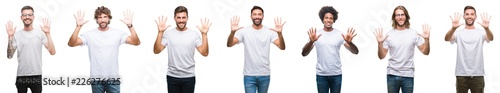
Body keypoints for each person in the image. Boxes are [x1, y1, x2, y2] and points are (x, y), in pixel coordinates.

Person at [67, 6, 141, 93]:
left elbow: (136, 42)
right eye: (100, 17)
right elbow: (71, 44)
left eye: (105, 17)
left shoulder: (118, 33)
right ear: (96, 19)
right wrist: (78, 27)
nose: (102, 20)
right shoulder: (89, 35)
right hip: (96, 79)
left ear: (109, 18)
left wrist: (130, 26)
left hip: (113, 79)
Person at [226, 5, 286, 93]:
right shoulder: (244, 32)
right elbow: (229, 44)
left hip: (264, 74)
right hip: (249, 75)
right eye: (254, 14)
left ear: (263, 16)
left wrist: (280, 34)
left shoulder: (269, 32)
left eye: (259, 14)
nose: (257, 16)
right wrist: (232, 32)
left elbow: (282, 47)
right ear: (251, 17)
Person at [153, 6, 211, 93]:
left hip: (189, 77)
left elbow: (205, 53)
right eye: (178, 18)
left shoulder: (194, 34)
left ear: (187, 18)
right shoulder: (168, 34)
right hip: (172, 77)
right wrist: (160, 32)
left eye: (183, 17)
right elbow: (156, 50)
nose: (181, 20)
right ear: (174, 18)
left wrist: (204, 35)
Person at [301, 6, 359, 93]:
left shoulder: (340, 34)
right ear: (323, 19)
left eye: (331, 18)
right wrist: (311, 42)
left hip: (336, 74)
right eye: (326, 18)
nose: (328, 20)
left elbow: (355, 52)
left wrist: (350, 43)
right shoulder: (316, 35)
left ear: (334, 20)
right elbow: (304, 53)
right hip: (321, 75)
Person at [373, 5, 430, 93]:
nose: (400, 17)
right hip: (392, 74)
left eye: (402, 15)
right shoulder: (389, 34)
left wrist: (427, 40)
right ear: (394, 18)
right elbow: (381, 56)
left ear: (406, 16)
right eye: (397, 15)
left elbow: (425, 52)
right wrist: (379, 44)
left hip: (408, 75)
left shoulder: (413, 33)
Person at [6, 5, 56, 93]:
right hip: (21, 75)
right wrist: (10, 36)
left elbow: (52, 52)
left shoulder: (40, 33)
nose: (27, 17)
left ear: (33, 17)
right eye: (24, 15)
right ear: (21, 17)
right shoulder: (17, 35)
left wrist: (48, 33)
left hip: (36, 75)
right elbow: (9, 55)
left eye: (29, 15)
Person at [444, 5, 493, 93]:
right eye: (467, 14)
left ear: (475, 16)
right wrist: (453, 28)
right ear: (464, 16)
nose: (469, 16)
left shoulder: (481, 33)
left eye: (472, 14)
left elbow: (490, 38)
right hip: (461, 75)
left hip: (478, 74)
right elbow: (447, 38)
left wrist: (487, 28)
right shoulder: (458, 33)